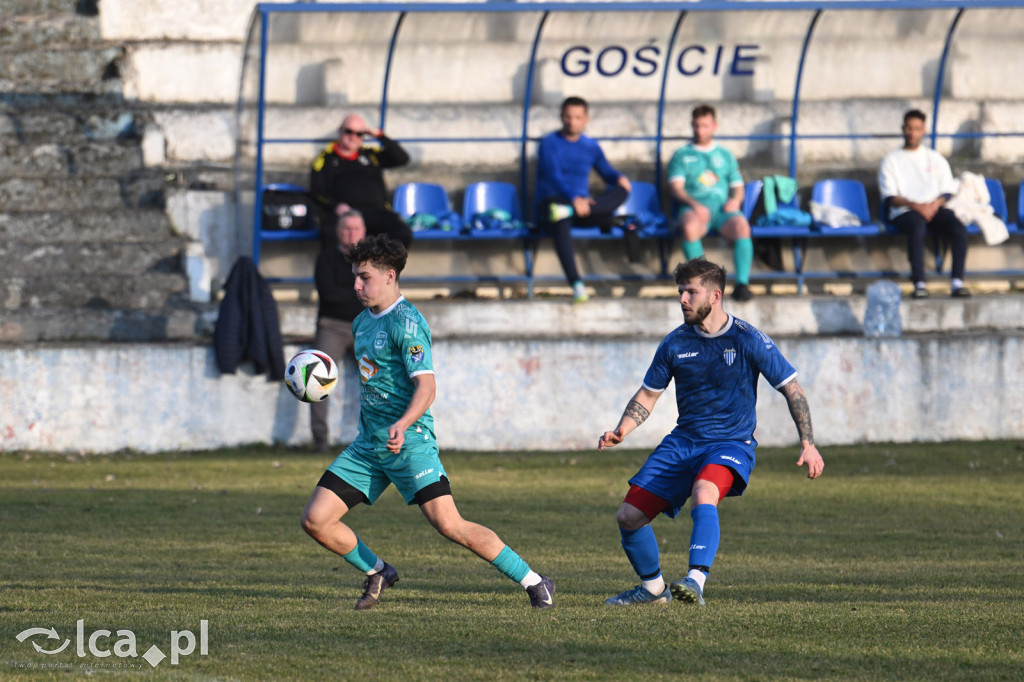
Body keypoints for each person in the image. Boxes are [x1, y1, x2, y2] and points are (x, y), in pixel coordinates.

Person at [300, 234, 555, 611]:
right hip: (369, 446)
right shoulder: (361, 323)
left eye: (364, 277)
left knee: (450, 525)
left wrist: (403, 424)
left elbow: (427, 386)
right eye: (355, 276)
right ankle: (378, 571)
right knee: (316, 519)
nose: (356, 285)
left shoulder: (408, 323)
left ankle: (534, 581)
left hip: (410, 443)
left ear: (389, 276)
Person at [598, 258, 824, 607]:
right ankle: (653, 589)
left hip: (730, 443)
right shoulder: (675, 343)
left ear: (715, 296)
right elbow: (648, 394)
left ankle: (696, 580)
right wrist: (622, 429)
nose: (683, 299)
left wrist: (808, 444)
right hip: (683, 442)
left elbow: (792, 389)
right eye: (680, 292)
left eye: (691, 292)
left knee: (704, 491)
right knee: (628, 516)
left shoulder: (748, 339)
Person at [535, 96, 632, 304]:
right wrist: (574, 199)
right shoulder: (549, 144)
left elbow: (607, 172)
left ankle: (573, 211)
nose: (572, 121)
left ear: (585, 119)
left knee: (622, 191)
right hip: (553, 204)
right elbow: (554, 177)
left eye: (577, 117)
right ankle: (577, 285)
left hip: (580, 208)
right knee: (561, 219)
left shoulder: (590, 146)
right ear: (561, 117)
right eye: (568, 117)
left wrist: (619, 178)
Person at [878, 109, 971, 298]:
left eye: (917, 129)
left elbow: (948, 190)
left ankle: (957, 282)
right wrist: (917, 206)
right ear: (903, 129)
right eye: (909, 128)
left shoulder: (934, 158)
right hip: (905, 211)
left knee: (958, 228)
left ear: (924, 131)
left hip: (933, 208)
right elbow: (890, 197)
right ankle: (919, 283)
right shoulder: (891, 161)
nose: (913, 133)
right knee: (917, 226)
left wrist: (934, 205)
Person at [667, 105, 755, 302]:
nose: (700, 130)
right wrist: (694, 204)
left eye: (705, 126)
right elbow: (676, 188)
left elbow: (738, 187)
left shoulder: (725, 154)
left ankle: (742, 284)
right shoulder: (681, 155)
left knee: (742, 226)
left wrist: (735, 200)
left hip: (722, 209)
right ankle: (702, 285)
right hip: (693, 208)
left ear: (714, 126)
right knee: (689, 227)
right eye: (696, 126)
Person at [310, 113, 413, 248]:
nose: (353, 137)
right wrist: (335, 206)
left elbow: (402, 158)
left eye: (359, 134)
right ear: (340, 131)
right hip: (344, 214)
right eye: (349, 131)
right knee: (329, 233)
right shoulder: (325, 158)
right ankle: (345, 262)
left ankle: (376, 261)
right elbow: (316, 190)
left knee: (402, 233)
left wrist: (378, 135)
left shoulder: (371, 155)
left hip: (376, 212)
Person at [309, 210, 367, 452]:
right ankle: (320, 440)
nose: (352, 234)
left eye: (356, 229)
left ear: (364, 232)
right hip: (332, 326)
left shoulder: (372, 260)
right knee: (317, 379)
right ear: (338, 232)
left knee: (381, 381)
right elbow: (329, 295)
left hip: (366, 327)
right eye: (346, 229)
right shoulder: (326, 259)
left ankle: (380, 439)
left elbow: (380, 294)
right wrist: (361, 294)